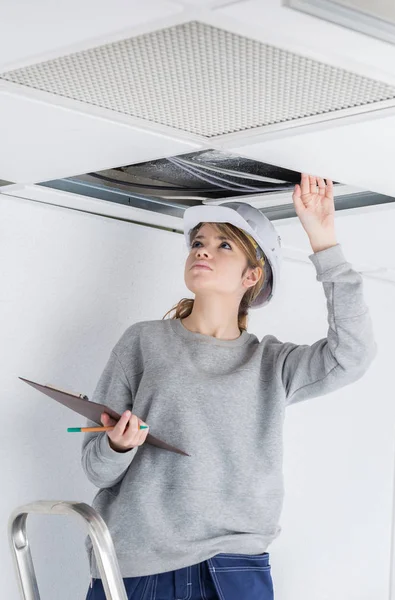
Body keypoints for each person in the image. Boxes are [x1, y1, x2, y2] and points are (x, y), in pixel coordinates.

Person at [81, 174, 377, 599]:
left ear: (251, 275)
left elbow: (353, 354)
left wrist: (323, 241)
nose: (202, 248)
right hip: (137, 566)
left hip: (234, 569)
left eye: (224, 244)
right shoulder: (142, 342)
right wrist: (118, 446)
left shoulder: (272, 363)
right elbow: (94, 467)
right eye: (198, 241)